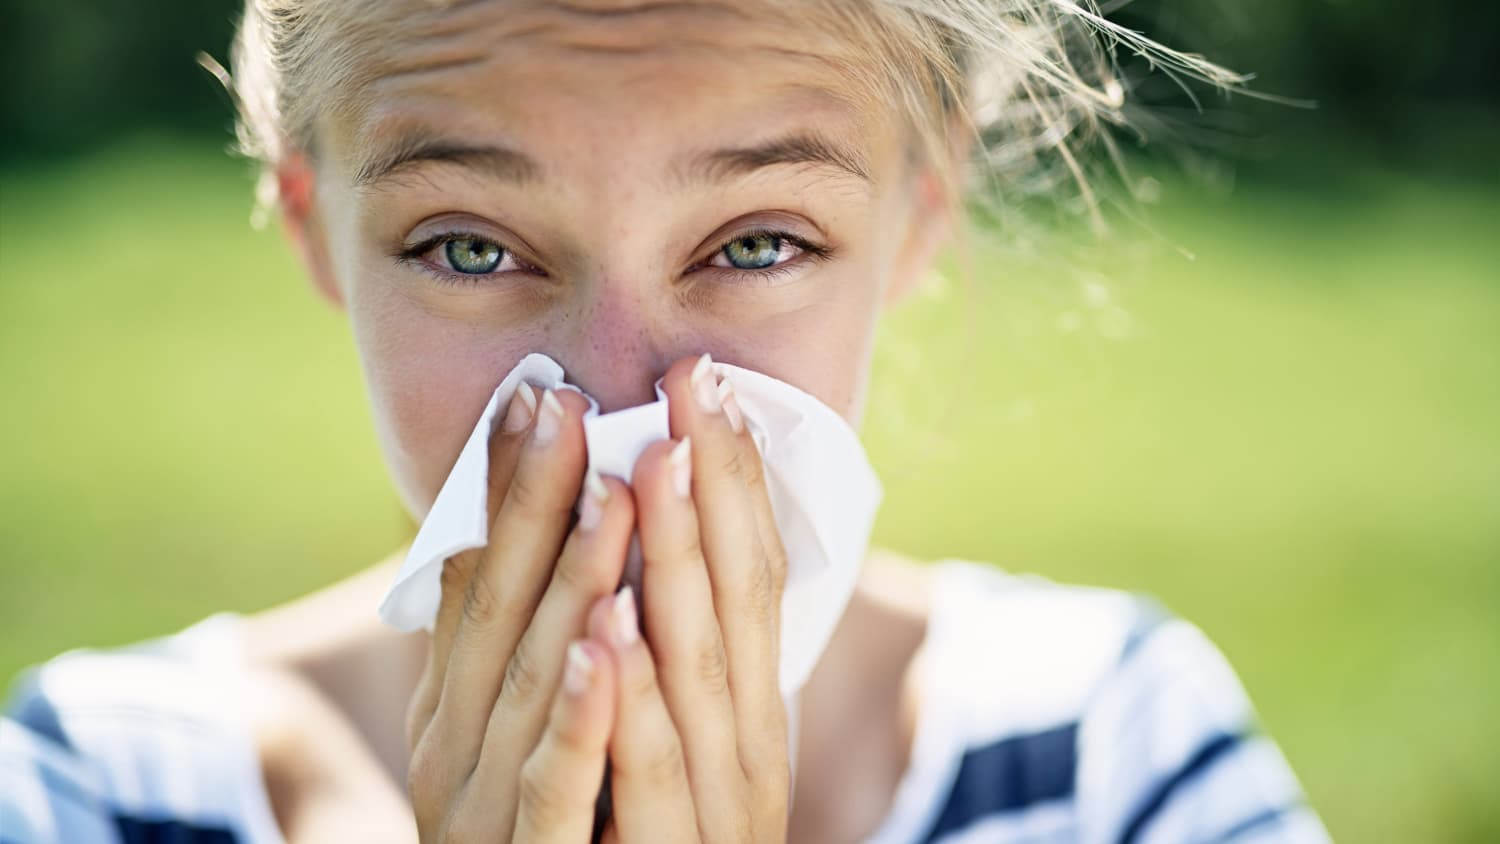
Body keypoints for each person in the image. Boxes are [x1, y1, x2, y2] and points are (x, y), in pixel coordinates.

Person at [1, 1, 1333, 842]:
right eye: (469, 248)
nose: (623, 403)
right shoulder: (91, 791)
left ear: (919, 215)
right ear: (314, 225)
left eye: (757, 243)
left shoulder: (1117, 761)